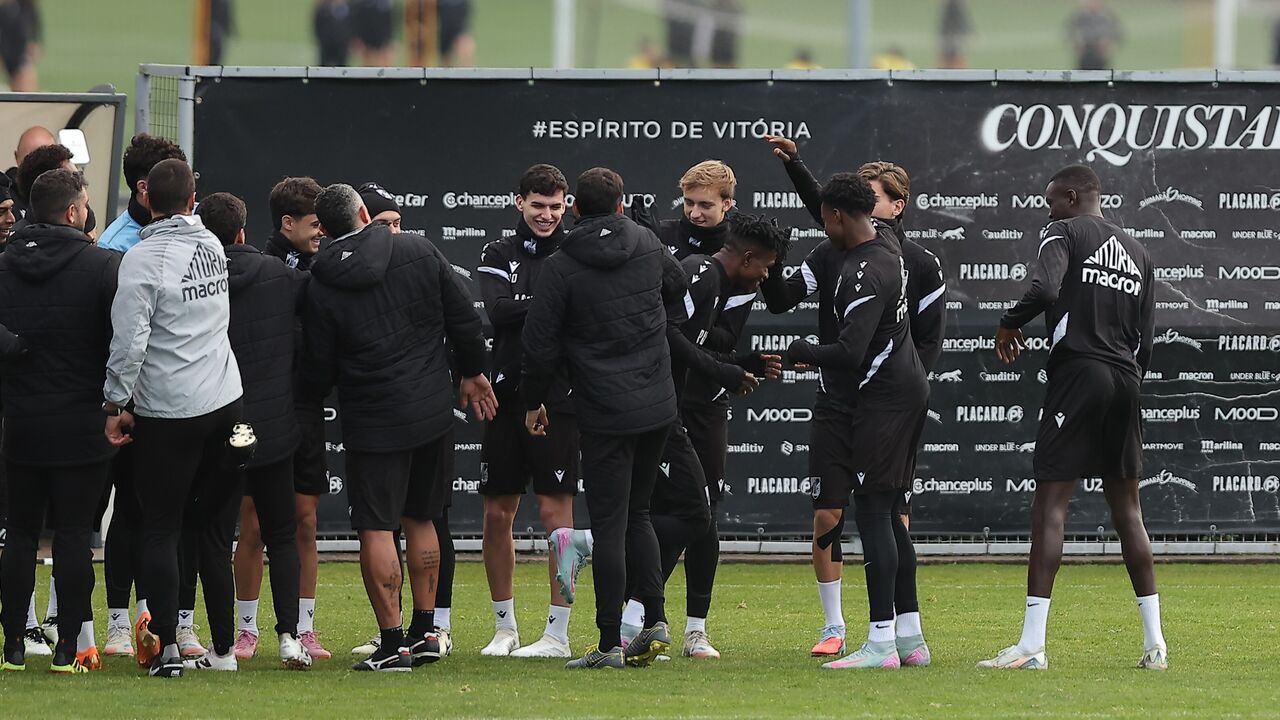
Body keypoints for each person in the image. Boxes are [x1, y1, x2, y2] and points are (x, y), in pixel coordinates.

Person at [760, 136, 945, 658]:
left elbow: (850, 349)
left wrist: (801, 349)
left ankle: (886, 639)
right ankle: (892, 636)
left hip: (884, 397)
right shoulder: (840, 245)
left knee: (881, 515)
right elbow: (823, 206)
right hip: (844, 401)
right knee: (856, 515)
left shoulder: (885, 260)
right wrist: (772, 254)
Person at [300, 183, 495, 672]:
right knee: (423, 518)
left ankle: (393, 644)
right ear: (365, 213)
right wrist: (472, 372)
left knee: (375, 526)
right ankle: (427, 631)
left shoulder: (319, 282)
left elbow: (319, 369)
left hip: (371, 419)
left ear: (322, 230)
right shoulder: (418, 248)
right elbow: (465, 320)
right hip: (430, 410)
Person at [980, 164, 1164, 671]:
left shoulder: (1061, 231)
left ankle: (1032, 646)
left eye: (1051, 200)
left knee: (1051, 505)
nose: (1047, 208)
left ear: (1071, 195)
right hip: (1126, 379)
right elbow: (1147, 343)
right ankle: (1156, 645)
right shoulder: (1140, 252)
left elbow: (1044, 291)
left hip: (1078, 372)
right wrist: (1125, 377)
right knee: (1129, 511)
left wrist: (1007, 322)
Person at [616, 160, 780, 659]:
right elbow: (668, 331)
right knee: (660, 510)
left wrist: (732, 365)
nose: (695, 213)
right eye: (689, 203)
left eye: (705, 204)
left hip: (704, 403)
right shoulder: (663, 239)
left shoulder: (741, 256)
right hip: (661, 398)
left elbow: (720, 338)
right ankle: (633, 615)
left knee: (703, 514)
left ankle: (692, 629)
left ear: (729, 205)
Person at [521, 167, 678, 670]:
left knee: (610, 525)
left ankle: (610, 642)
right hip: (657, 404)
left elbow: (538, 345)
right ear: (620, 204)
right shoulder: (650, 242)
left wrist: (533, 400)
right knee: (638, 515)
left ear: (573, 208)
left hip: (606, 409)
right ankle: (655, 619)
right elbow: (678, 293)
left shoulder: (562, 264)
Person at [103, 158, 246, 678]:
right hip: (227, 402)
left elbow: (128, 344)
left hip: (170, 410)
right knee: (210, 529)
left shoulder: (140, 260)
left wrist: (116, 405)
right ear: (192, 201)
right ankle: (224, 651)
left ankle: (165, 651)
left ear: (145, 201)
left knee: (160, 528)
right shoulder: (211, 245)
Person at [183, 192, 311, 671]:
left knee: (215, 537)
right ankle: (289, 638)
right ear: (242, 231)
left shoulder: (194, 280)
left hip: (218, 423)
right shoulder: (283, 276)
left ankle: (222, 652)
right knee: (281, 534)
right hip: (272, 424)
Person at [0, 168, 118, 674]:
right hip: (80, 424)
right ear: (73, 212)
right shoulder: (102, 266)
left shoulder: (2, 264)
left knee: (20, 535)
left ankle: (11, 648)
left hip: (21, 424)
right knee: (73, 537)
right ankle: (69, 647)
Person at [347, 183, 459, 662]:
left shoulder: (410, 257)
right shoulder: (345, 268)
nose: (391, 233)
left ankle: (411, 636)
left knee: (402, 521)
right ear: (361, 220)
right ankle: (415, 635)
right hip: (417, 410)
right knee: (401, 522)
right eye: (381, 224)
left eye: (397, 223)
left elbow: (464, 317)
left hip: (390, 416)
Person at [474, 164, 581, 659]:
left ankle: (557, 634)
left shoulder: (577, 248)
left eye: (556, 206)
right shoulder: (498, 251)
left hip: (559, 397)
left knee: (557, 515)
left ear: (567, 205)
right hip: (504, 395)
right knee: (498, 514)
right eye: (538, 205)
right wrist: (553, 303)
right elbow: (498, 313)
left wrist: (531, 304)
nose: (547, 215)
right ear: (519, 202)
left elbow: (577, 314)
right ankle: (505, 627)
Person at [231, 175, 331, 662]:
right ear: (287, 223)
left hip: (306, 409)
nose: (322, 233)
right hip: (259, 410)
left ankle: (303, 628)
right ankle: (247, 629)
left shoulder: (327, 265)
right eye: (315, 225)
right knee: (252, 522)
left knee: (304, 522)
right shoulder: (262, 268)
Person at [99, 137, 190, 666]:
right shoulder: (118, 246)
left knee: (168, 516)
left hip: (173, 401)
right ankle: (116, 620)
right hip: (132, 403)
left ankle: (164, 619)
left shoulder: (185, 238)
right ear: (144, 188)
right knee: (130, 512)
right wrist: (117, 402)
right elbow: (116, 334)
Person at [97, 135, 188, 253]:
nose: (182, 189)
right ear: (143, 187)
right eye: (172, 181)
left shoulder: (201, 217)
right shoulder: (113, 247)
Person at [2, 125, 54, 215]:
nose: (40, 167)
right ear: (17, 157)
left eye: (47, 158)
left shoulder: (65, 196)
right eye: (31, 159)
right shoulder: (5, 197)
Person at [1068, 0, 1121, 71]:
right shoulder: (1080, 17)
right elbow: (1069, 31)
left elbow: (1117, 33)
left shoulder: (1108, 16)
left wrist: (1109, 45)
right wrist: (1076, 45)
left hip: (1100, 54)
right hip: (1085, 53)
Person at [0, 0, 40, 92]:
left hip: (20, 51)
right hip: (3, 49)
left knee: (26, 88)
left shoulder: (26, 5)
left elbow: (33, 18)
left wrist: (35, 40)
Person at [349, 0, 395, 67]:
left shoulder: (385, 4)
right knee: (367, 67)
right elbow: (356, 22)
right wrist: (358, 40)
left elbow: (389, 22)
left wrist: (388, 41)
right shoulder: (359, 4)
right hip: (366, 41)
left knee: (383, 67)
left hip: (382, 40)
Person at [437, 0, 475, 67]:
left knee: (464, 46)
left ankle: (466, 75)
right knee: (445, 56)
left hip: (458, 9)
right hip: (441, 13)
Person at [313, 0, 351, 66]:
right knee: (323, 67)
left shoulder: (348, 8)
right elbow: (318, 25)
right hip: (326, 45)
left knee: (342, 68)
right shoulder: (323, 8)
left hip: (342, 46)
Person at [938, 0, 972, 69]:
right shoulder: (956, 5)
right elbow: (962, 21)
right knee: (954, 58)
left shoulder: (949, 5)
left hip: (949, 35)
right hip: (953, 36)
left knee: (948, 58)